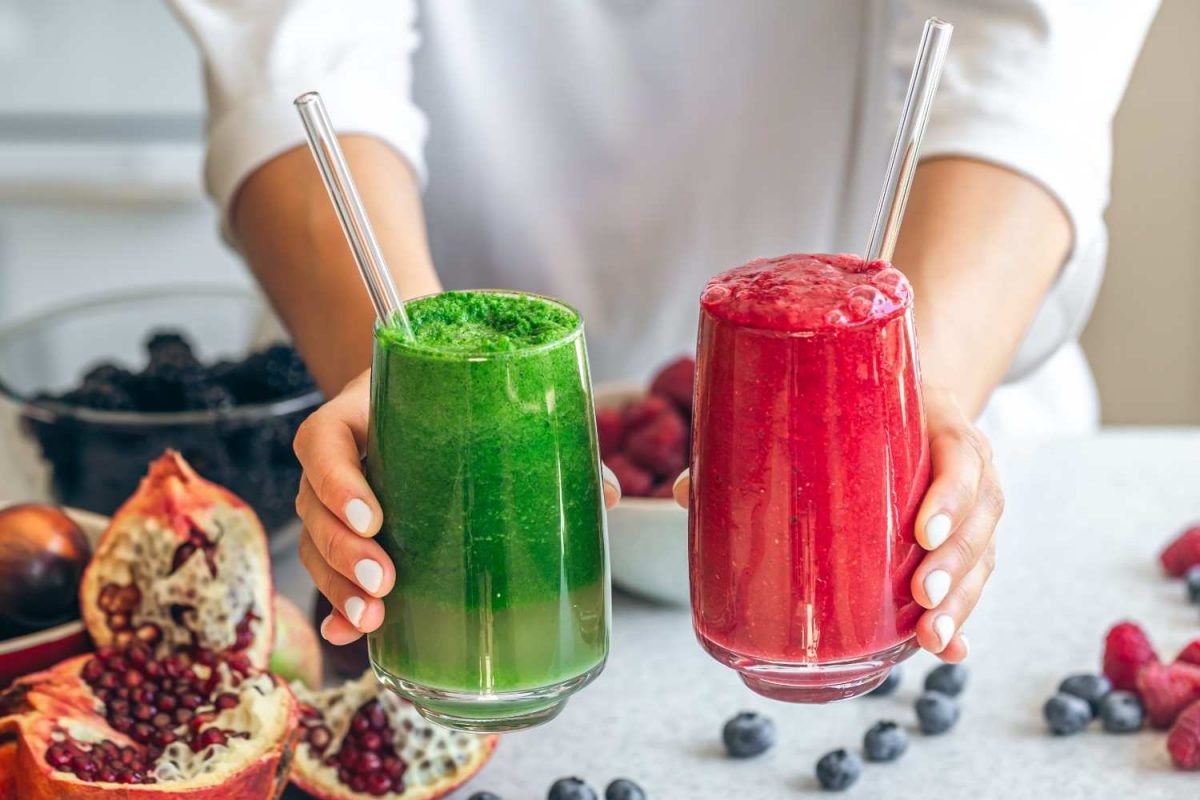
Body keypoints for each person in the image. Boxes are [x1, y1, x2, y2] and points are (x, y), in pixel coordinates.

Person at [167, 0, 1159, 663]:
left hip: (936, 355)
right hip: (412, 433)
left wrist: (903, 399)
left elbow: (1024, 63)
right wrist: (400, 379)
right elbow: (294, 46)